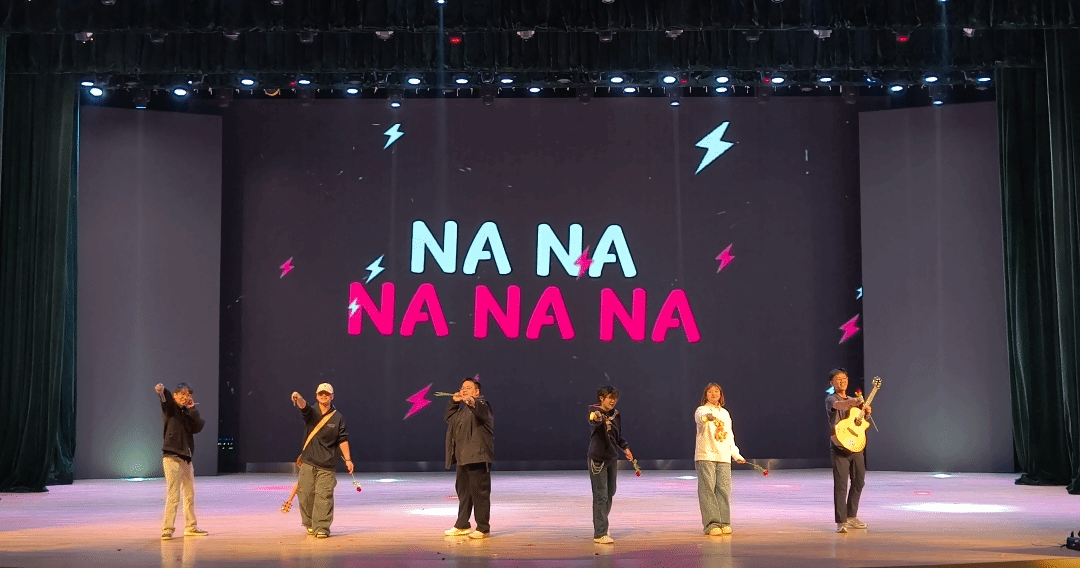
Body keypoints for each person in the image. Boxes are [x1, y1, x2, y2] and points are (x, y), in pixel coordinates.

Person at [290, 383, 353, 538]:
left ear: (332, 396)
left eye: (327, 394)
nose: (324, 396)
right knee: (305, 494)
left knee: (324, 496)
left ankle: (322, 527)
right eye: (321, 394)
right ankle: (310, 523)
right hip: (309, 462)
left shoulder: (337, 417)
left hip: (327, 464)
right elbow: (303, 407)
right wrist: (298, 397)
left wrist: (348, 460)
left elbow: (342, 439)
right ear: (317, 396)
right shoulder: (312, 413)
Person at [155, 382, 208, 540]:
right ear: (175, 395)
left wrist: (192, 409)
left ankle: (190, 527)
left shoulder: (188, 413)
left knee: (189, 495)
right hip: (172, 457)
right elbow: (165, 400)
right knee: (174, 495)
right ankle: (167, 529)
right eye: (182, 394)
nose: (186, 397)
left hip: (186, 458)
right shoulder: (171, 409)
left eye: (188, 394)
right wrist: (161, 391)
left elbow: (198, 427)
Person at [443, 376, 494, 539]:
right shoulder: (461, 412)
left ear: (477, 391)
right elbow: (449, 418)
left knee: (480, 494)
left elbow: (478, 407)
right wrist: (454, 402)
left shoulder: (482, 405)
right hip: (463, 458)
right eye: (462, 388)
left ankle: (483, 528)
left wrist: (470, 401)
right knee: (464, 494)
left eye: (468, 388)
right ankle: (462, 524)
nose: (464, 390)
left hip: (478, 457)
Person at [694, 383, 746, 536]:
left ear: (720, 395)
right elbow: (700, 419)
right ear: (706, 395)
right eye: (710, 391)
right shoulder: (702, 409)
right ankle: (712, 524)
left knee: (723, 489)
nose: (713, 394)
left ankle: (724, 522)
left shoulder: (725, 413)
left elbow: (729, 436)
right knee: (708, 490)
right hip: (706, 455)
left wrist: (736, 455)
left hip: (723, 457)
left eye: (716, 391)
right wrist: (707, 417)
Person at [826, 368, 872, 533]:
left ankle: (852, 516)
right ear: (832, 383)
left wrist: (866, 413)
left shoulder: (855, 400)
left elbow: (861, 422)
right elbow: (839, 405)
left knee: (859, 481)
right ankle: (841, 521)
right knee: (841, 485)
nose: (842, 381)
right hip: (840, 446)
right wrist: (854, 402)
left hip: (856, 445)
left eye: (844, 378)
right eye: (838, 379)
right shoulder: (831, 399)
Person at [587, 386, 634, 545]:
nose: (613, 401)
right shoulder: (595, 412)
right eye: (610, 398)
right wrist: (596, 417)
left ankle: (602, 524)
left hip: (611, 459)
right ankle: (600, 533)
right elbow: (594, 419)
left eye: (615, 398)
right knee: (600, 495)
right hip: (598, 459)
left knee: (610, 492)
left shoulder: (616, 414)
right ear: (602, 398)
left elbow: (617, 435)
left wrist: (625, 448)